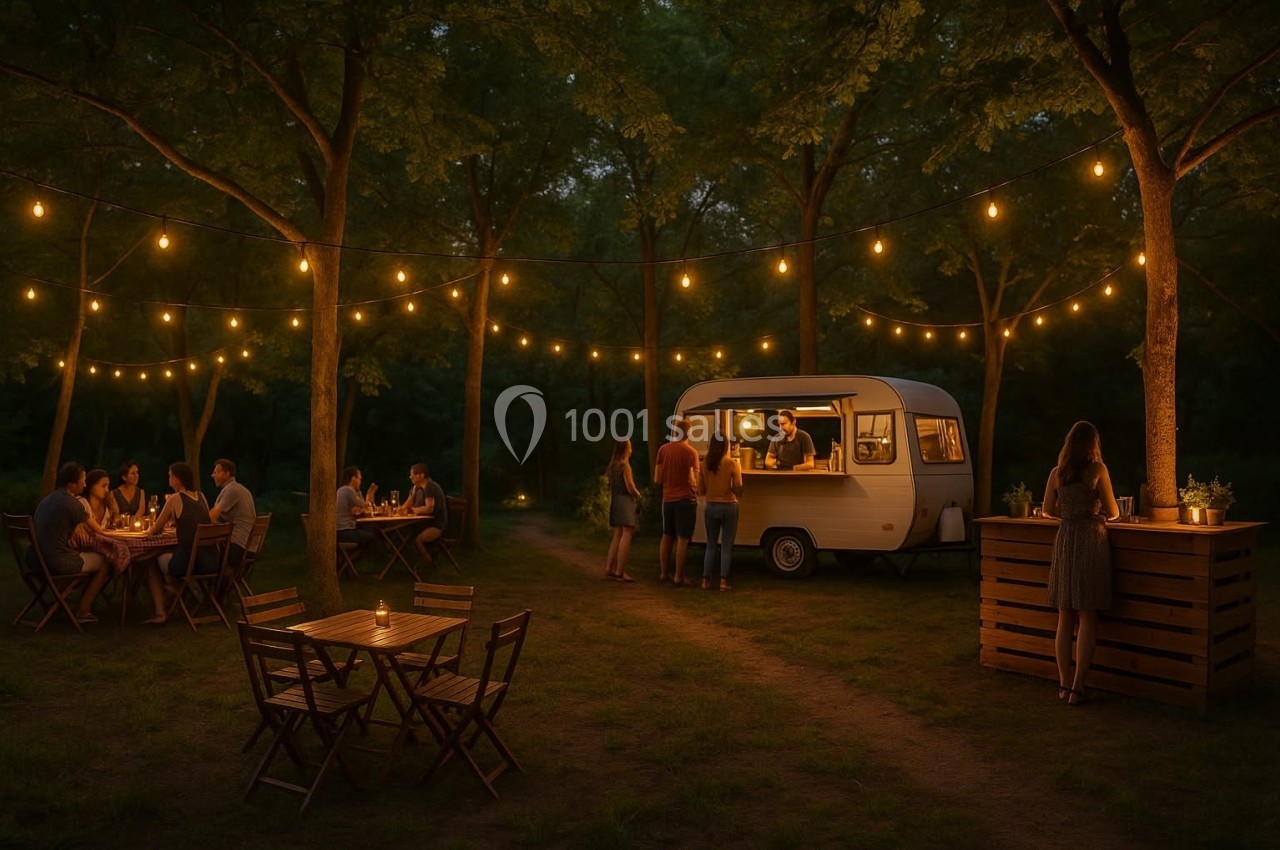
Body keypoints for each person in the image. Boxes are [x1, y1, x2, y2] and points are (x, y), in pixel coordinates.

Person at [1041, 421, 1120, 706]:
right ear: (1093, 443)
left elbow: (1047, 511)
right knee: (1087, 615)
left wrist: (1066, 517)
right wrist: (1096, 514)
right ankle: (1078, 687)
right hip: (1090, 540)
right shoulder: (1097, 470)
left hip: (1065, 540)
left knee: (1065, 615)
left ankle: (1063, 684)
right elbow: (1114, 512)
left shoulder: (1056, 473)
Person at [29, 461, 114, 624]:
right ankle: (83, 609)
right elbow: (98, 530)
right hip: (57, 563)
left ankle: (64, 598)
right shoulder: (72, 504)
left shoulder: (47, 500)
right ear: (71, 483)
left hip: (36, 561)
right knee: (104, 561)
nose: (85, 483)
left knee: (85, 556)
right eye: (82, 480)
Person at [141, 462, 216, 625]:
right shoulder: (201, 496)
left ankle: (161, 612)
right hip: (209, 561)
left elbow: (155, 529)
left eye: (170, 476)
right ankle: (185, 595)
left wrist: (145, 532)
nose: (169, 479)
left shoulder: (175, 499)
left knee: (152, 562)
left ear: (177, 479)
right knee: (168, 557)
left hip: (188, 563)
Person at [655, 417, 699, 586]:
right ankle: (679, 576)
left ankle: (663, 573)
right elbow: (693, 480)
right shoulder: (691, 453)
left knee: (667, 536)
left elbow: (657, 479)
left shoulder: (663, 450)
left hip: (667, 499)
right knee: (682, 539)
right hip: (685, 500)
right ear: (689, 433)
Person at [698, 435, 743, 591]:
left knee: (710, 544)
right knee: (726, 545)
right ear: (726, 446)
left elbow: (701, 489)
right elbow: (738, 485)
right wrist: (737, 494)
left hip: (711, 506)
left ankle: (705, 580)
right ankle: (723, 582)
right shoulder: (732, 463)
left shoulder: (705, 464)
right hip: (729, 505)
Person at [71, 468, 132, 574]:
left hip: (101, 547)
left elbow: (115, 523)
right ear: (91, 486)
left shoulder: (106, 507)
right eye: (103, 486)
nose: (107, 490)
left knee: (116, 557)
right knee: (111, 560)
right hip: (82, 549)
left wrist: (115, 510)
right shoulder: (81, 503)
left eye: (108, 486)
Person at [604, 439, 642, 583]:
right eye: (630, 447)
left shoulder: (612, 466)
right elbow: (630, 486)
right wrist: (638, 495)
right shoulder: (625, 466)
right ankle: (620, 571)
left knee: (617, 534)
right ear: (625, 449)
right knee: (627, 533)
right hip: (625, 501)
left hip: (616, 500)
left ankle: (609, 568)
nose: (631, 450)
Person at [208, 458, 256, 569]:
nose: (213, 475)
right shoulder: (240, 489)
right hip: (247, 546)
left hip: (236, 547)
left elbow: (212, 516)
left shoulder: (232, 490)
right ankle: (218, 585)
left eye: (216, 472)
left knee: (199, 554)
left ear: (227, 474)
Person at [400, 462, 447, 567]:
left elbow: (429, 508)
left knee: (418, 539)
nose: (410, 477)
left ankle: (428, 562)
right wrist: (400, 509)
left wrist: (413, 511)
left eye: (412, 474)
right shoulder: (415, 488)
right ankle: (407, 560)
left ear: (421, 475)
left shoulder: (430, 487)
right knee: (401, 531)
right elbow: (408, 503)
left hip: (435, 525)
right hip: (421, 523)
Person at [336, 466, 377, 549]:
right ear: (353, 478)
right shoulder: (349, 490)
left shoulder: (340, 490)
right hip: (345, 532)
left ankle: (356, 559)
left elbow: (355, 508)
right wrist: (368, 494)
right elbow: (364, 505)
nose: (360, 482)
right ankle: (385, 557)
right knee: (373, 536)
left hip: (337, 532)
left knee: (369, 529)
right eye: (359, 479)